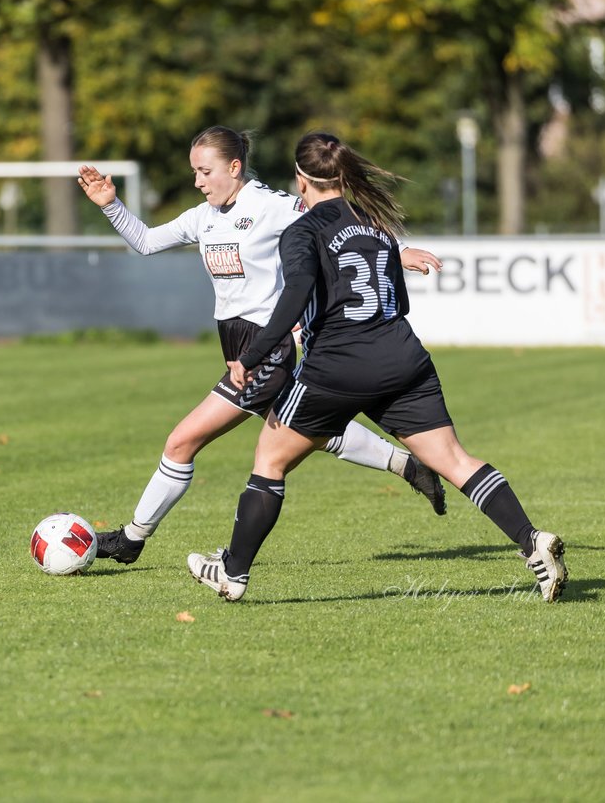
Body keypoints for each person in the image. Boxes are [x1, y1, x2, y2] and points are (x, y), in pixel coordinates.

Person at [186, 131, 568, 602]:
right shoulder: (373, 220)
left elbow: (295, 297)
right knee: (454, 460)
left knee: (270, 459)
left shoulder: (302, 230)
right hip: (404, 358)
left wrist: (251, 355)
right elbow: (399, 299)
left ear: (301, 180)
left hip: (340, 365)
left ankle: (233, 574)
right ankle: (533, 542)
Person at [76, 126, 446, 566]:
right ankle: (408, 465)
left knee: (182, 442)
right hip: (236, 346)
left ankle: (132, 540)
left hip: (265, 348)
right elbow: (146, 241)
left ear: (234, 167)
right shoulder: (203, 216)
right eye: (194, 171)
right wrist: (111, 205)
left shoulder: (272, 206)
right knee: (307, 429)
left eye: (204, 171)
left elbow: (337, 218)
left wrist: (397, 251)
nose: (197, 180)